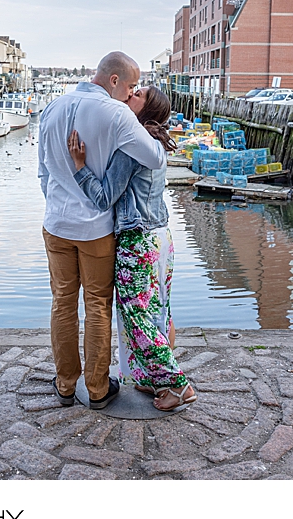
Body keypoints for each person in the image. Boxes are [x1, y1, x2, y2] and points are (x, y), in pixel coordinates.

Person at [37, 52, 167, 410]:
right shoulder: (117, 114)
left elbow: (44, 173)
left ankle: (65, 384)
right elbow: (154, 158)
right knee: (97, 304)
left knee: (62, 302)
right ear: (114, 81)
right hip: (95, 228)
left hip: (56, 223)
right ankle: (96, 387)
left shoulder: (53, 108)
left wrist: (58, 203)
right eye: (131, 87)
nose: (131, 94)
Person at [67, 86, 196, 411]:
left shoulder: (132, 146)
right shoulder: (157, 142)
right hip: (160, 238)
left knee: (137, 315)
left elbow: (103, 197)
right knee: (159, 311)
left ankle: (178, 385)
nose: (130, 93)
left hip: (137, 240)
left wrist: (80, 167)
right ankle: (152, 376)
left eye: (138, 93)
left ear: (145, 108)